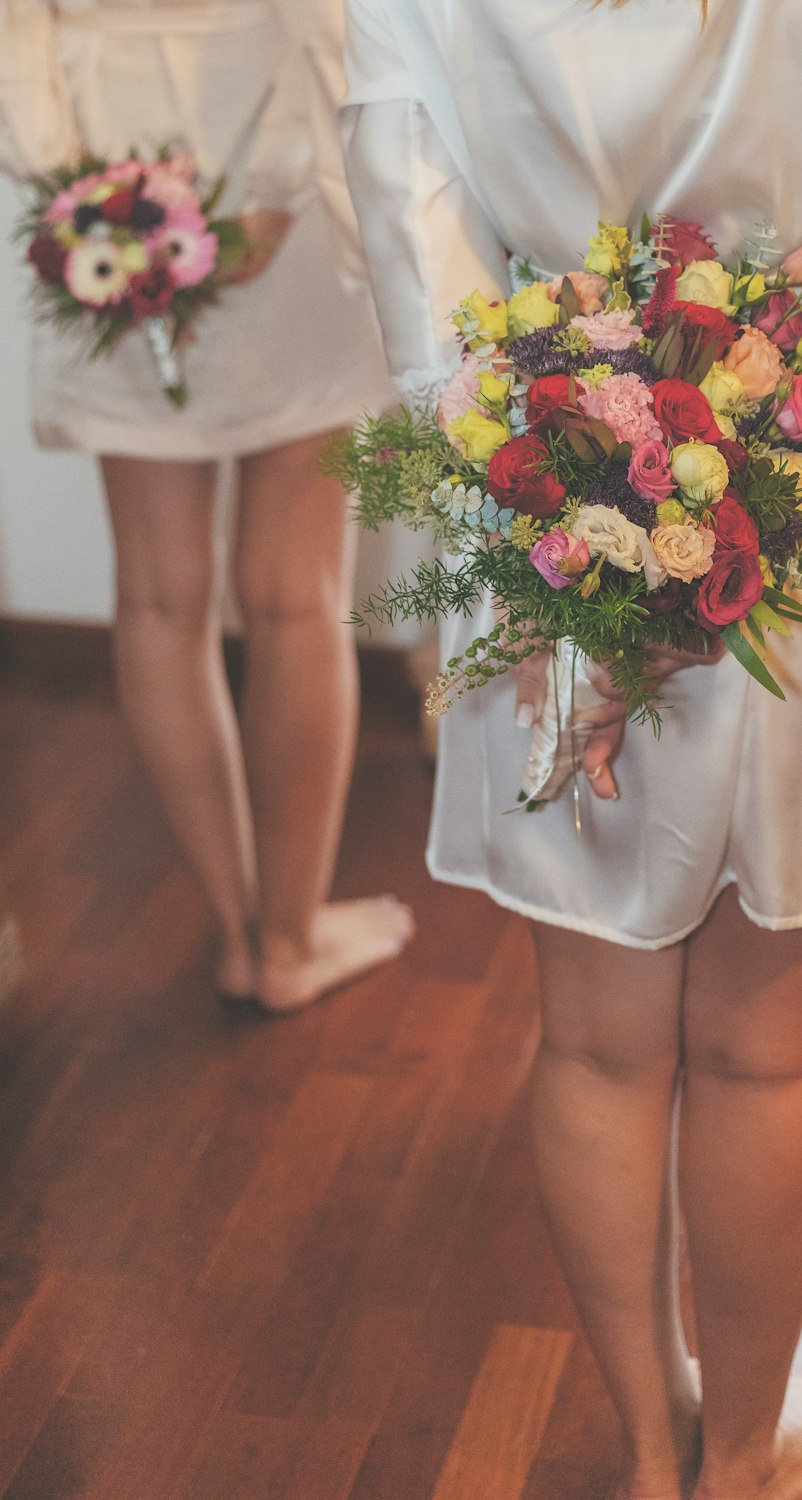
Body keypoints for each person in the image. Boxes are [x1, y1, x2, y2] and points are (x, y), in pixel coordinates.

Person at [340, 2, 802, 1496]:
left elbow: (411, 211)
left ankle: (653, 1453)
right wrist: (760, 500)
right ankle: (743, 1463)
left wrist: (568, 497)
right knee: (765, 1066)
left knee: (595, 1045)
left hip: (542, 506)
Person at [0, 0, 415, 1013]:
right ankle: (287, 942)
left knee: (156, 598)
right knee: (295, 595)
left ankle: (242, 928)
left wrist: (77, 191)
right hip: (273, 121)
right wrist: (270, 195)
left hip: (101, 165)